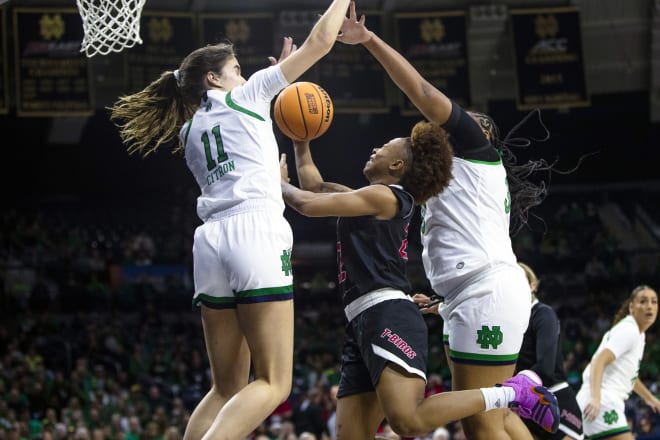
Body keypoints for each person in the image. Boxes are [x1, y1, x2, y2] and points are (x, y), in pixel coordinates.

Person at [108, 1, 351, 438]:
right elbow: (320, 42)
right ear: (214, 78)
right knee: (275, 384)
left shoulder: (189, 129)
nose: (245, 73)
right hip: (254, 232)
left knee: (226, 387)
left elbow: (237, 153)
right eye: (237, 68)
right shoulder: (249, 94)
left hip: (210, 241)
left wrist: (271, 85)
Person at [338, 3, 555, 439]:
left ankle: (524, 391)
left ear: (484, 136)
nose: (455, 120)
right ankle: (521, 392)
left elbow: (419, 88)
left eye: (469, 120)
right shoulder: (441, 181)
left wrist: (368, 40)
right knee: (484, 420)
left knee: (482, 421)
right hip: (468, 294)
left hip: (485, 291)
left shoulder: (476, 150)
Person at [279, 125, 559, 438]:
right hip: (362, 317)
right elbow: (314, 188)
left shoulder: (387, 197)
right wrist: (300, 141)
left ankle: (511, 394)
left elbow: (306, 204)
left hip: (385, 314)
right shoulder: (368, 199)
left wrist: (272, 183)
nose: (375, 149)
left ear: (397, 165)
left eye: (384, 145)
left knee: (408, 421)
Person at [507, 262, 584, 440]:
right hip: (524, 400)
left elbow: (546, 367)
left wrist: (509, 389)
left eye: (518, 280)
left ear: (533, 285)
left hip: (555, 397)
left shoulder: (543, 314)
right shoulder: (511, 319)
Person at [576, 285, 660, 440]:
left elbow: (629, 377)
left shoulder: (637, 334)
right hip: (601, 402)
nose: (649, 306)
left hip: (599, 399)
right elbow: (598, 361)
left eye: (654, 302)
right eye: (643, 301)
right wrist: (596, 398)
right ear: (631, 307)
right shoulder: (629, 330)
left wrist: (650, 398)